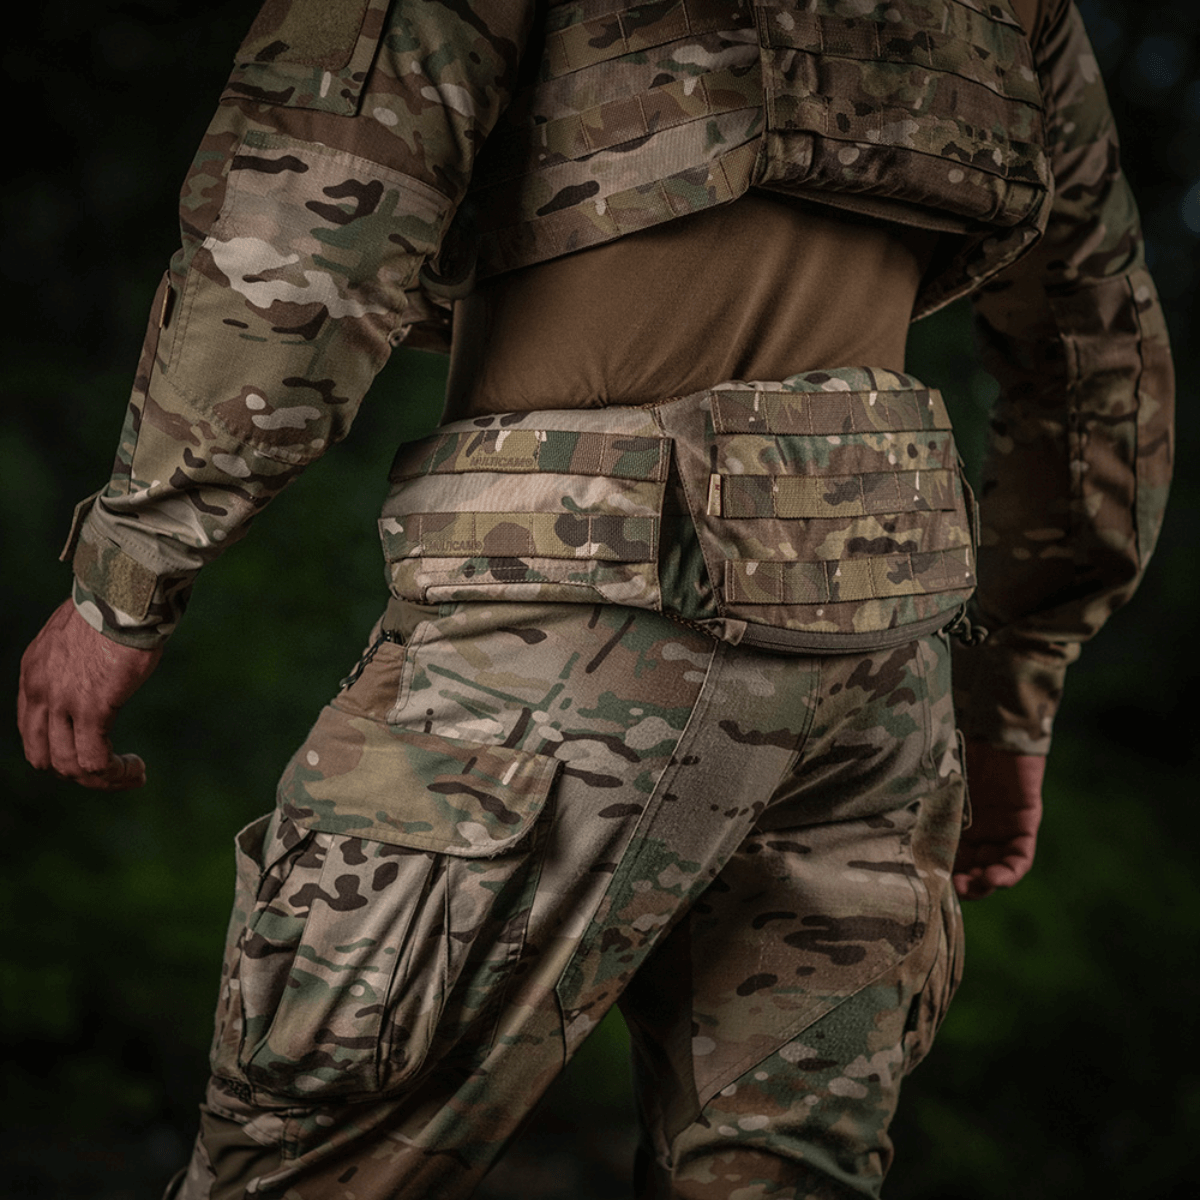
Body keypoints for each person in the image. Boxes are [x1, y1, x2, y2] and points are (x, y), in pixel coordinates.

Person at [17, 0, 1172, 1196]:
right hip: (882, 665)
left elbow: (316, 196)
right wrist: (1012, 690)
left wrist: (131, 570)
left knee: (304, 1166)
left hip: (574, 623)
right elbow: (1094, 334)